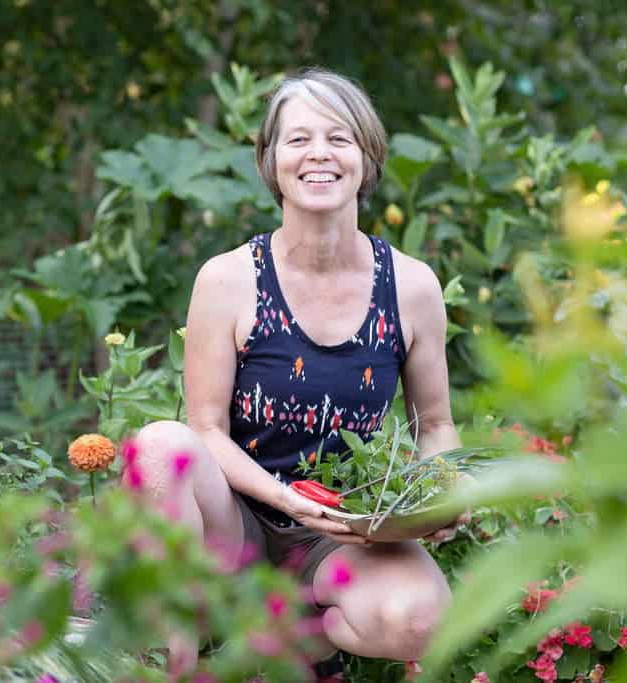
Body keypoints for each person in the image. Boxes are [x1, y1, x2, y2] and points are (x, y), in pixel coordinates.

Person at [128, 67, 467, 679]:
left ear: (367, 157)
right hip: (238, 528)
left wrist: (440, 490)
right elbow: (205, 430)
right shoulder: (228, 280)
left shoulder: (412, 286)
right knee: (158, 447)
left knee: (421, 619)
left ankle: (302, 636)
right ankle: (171, 659)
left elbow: (435, 423)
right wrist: (286, 499)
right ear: (271, 159)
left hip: (346, 532)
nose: (319, 154)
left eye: (339, 138)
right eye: (298, 139)